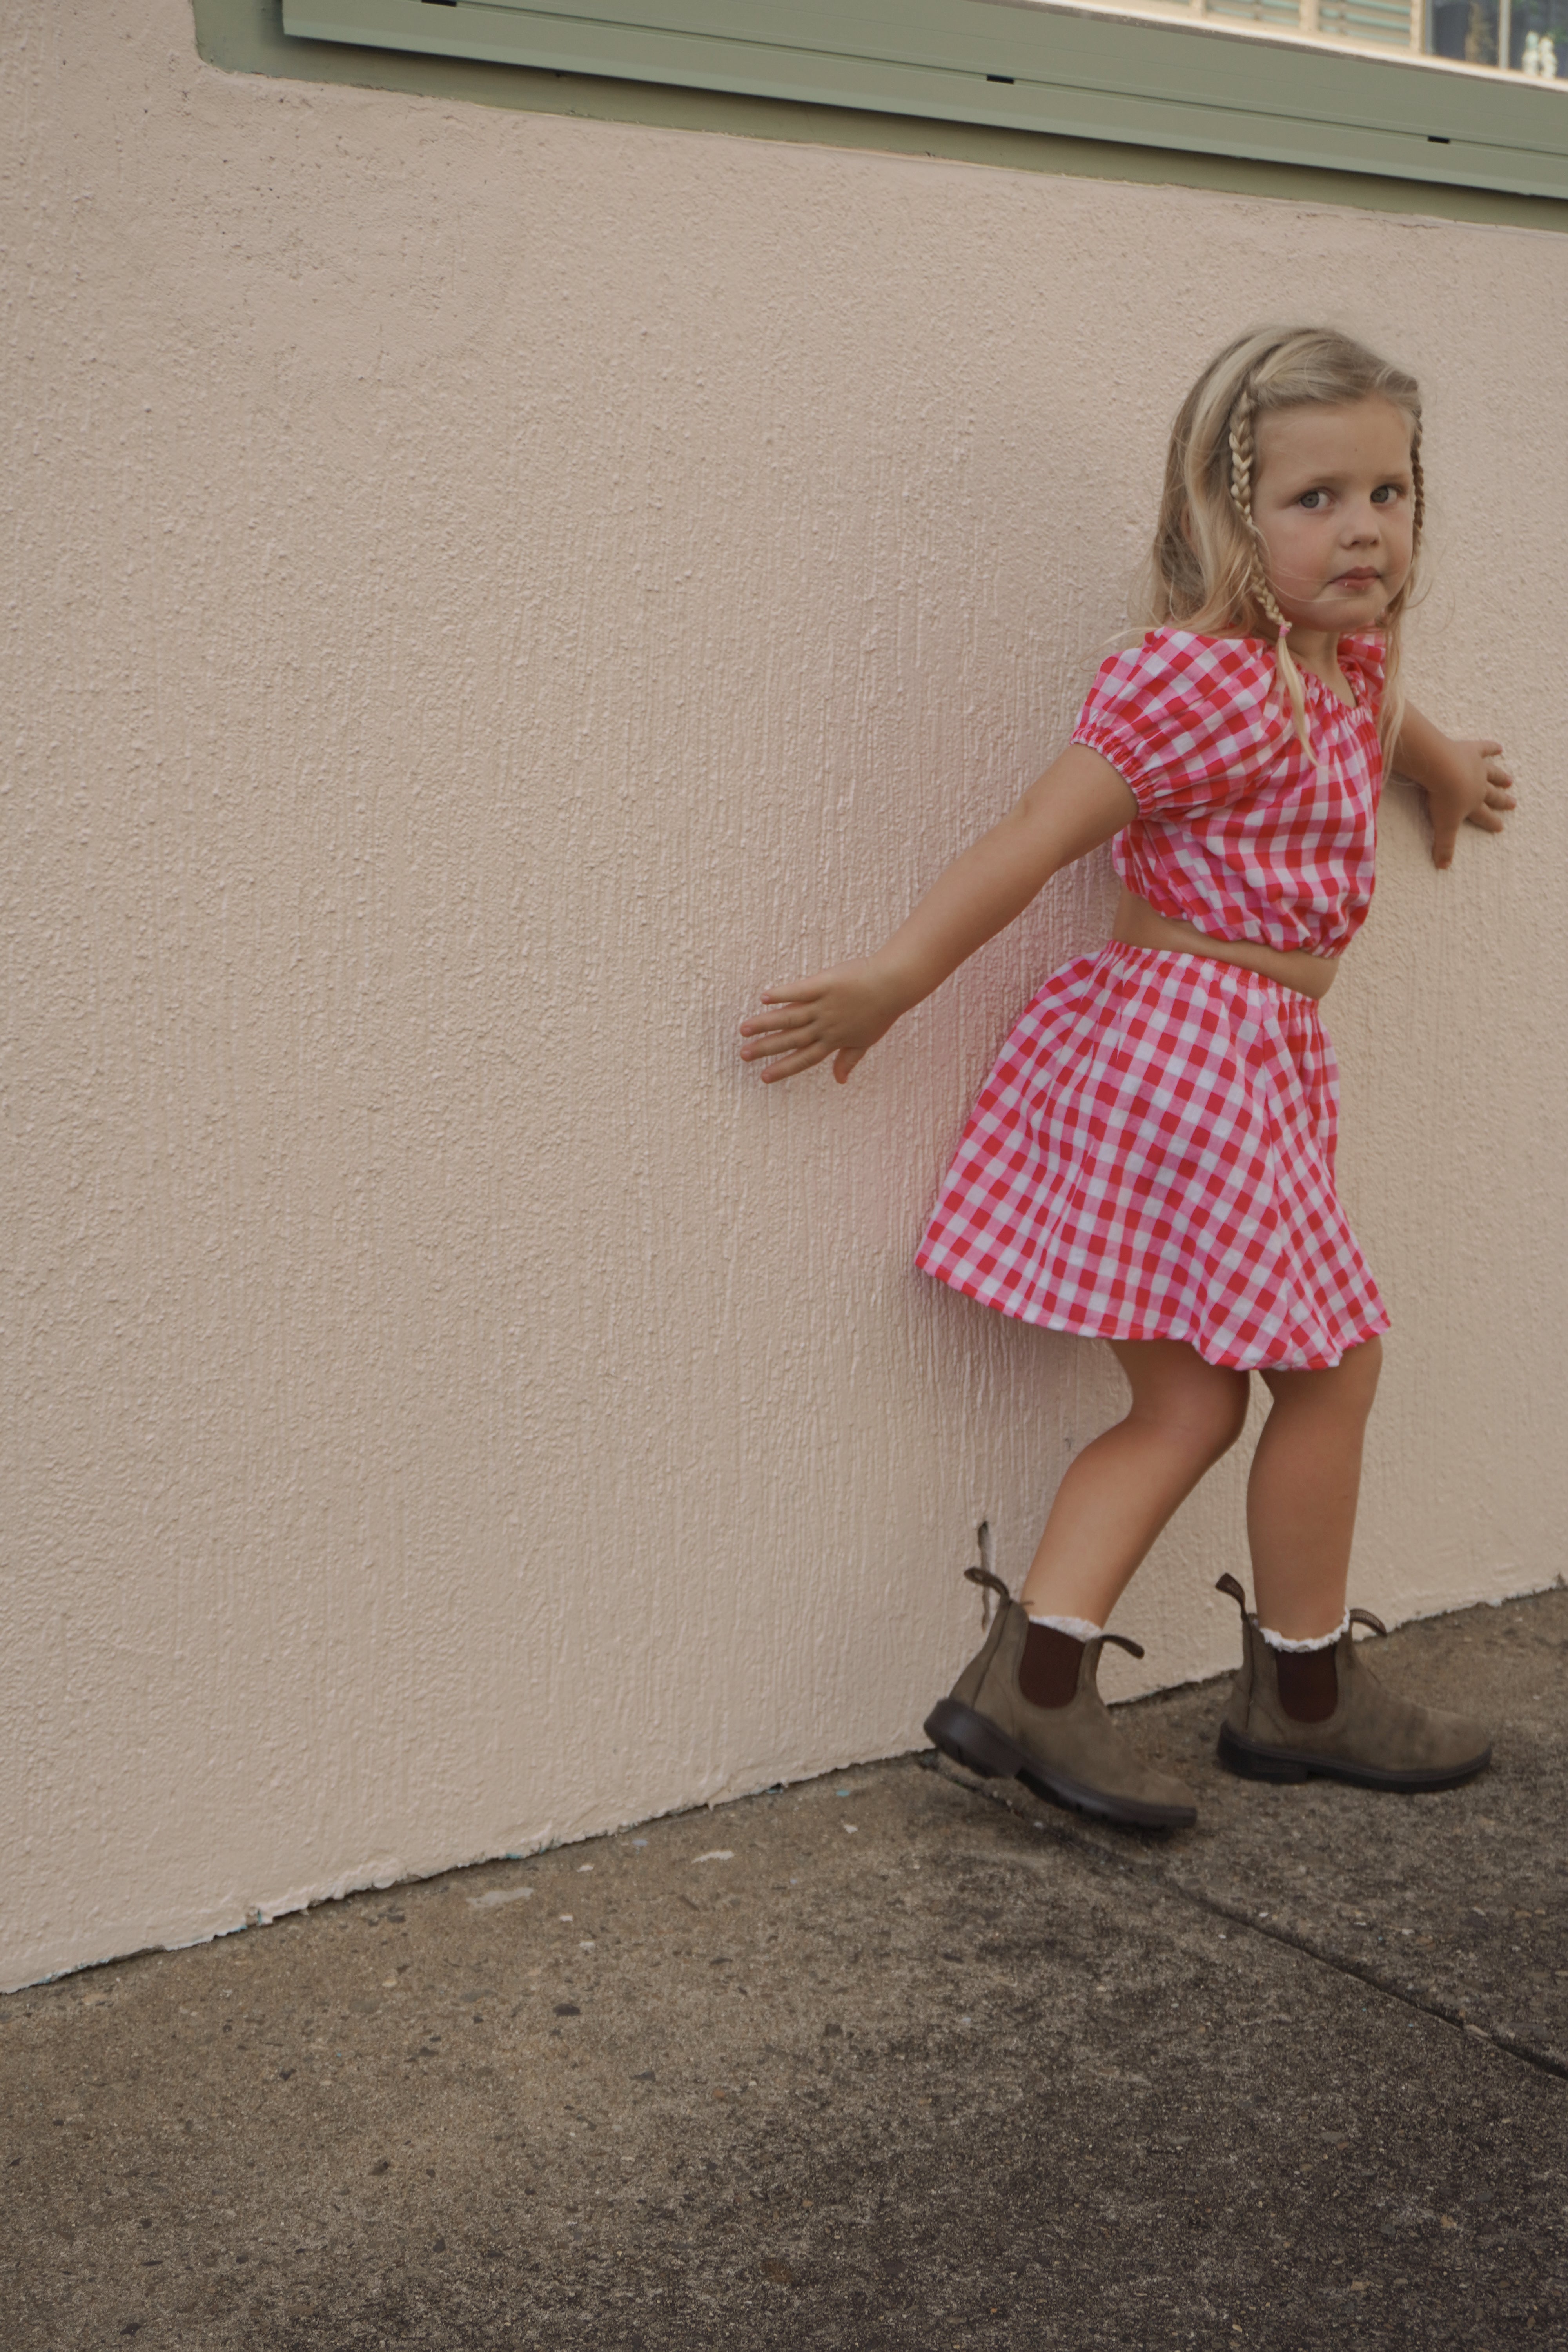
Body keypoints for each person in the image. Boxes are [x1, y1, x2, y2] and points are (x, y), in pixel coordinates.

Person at [739, 325, 1515, 1829]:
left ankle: (1039, 1681)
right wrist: (897, 980)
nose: (1364, 526)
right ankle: (1295, 1695)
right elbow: (1042, 829)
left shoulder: (1336, 667)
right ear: (1230, 520)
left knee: (1192, 1405)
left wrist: (1438, 763)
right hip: (1194, 1052)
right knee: (1326, 1367)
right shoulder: (1208, 681)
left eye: (1390, 491)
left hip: (1234, 1059)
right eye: (1315, 499)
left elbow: (1375, 707)